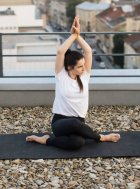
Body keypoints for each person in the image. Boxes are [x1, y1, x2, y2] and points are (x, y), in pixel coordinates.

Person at [26, 16, 120, 150]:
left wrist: (77, 35)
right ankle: (102, 137)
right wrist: (71, 37)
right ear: (70, 67)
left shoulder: (84, 76)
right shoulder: (61, 76)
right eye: (80, 66)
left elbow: (87, 51)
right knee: (74, 123)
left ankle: (46, 141)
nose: (84, 68)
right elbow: (60, 52)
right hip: (60, 123)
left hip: (78, 122)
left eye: (83, 65)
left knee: (77, 143)